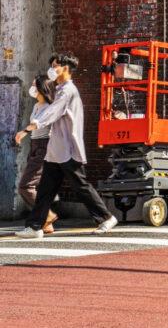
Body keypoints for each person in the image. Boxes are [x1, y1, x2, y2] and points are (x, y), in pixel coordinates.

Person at [14, 54, 118, 239]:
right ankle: (35, 226)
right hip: (56, 149)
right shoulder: (61, 89)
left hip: (68, 148)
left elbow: (52, 112)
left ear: (66, 68)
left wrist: (30, 127)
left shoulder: (68, 91)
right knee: (46, 189)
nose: (52, 70)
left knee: (81, 185)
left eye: (55, 66)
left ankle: (106, 217)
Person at [13, 75, 59, 233]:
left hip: (43, 146)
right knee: (37, 186)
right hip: (35, 145)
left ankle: (48, 215)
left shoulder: (48, 107)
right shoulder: (37, 105)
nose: (31, 87)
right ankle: (47, 223)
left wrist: (23, 131)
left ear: (41, 88)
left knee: (26, 186)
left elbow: (37, 124)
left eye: (34, 85)